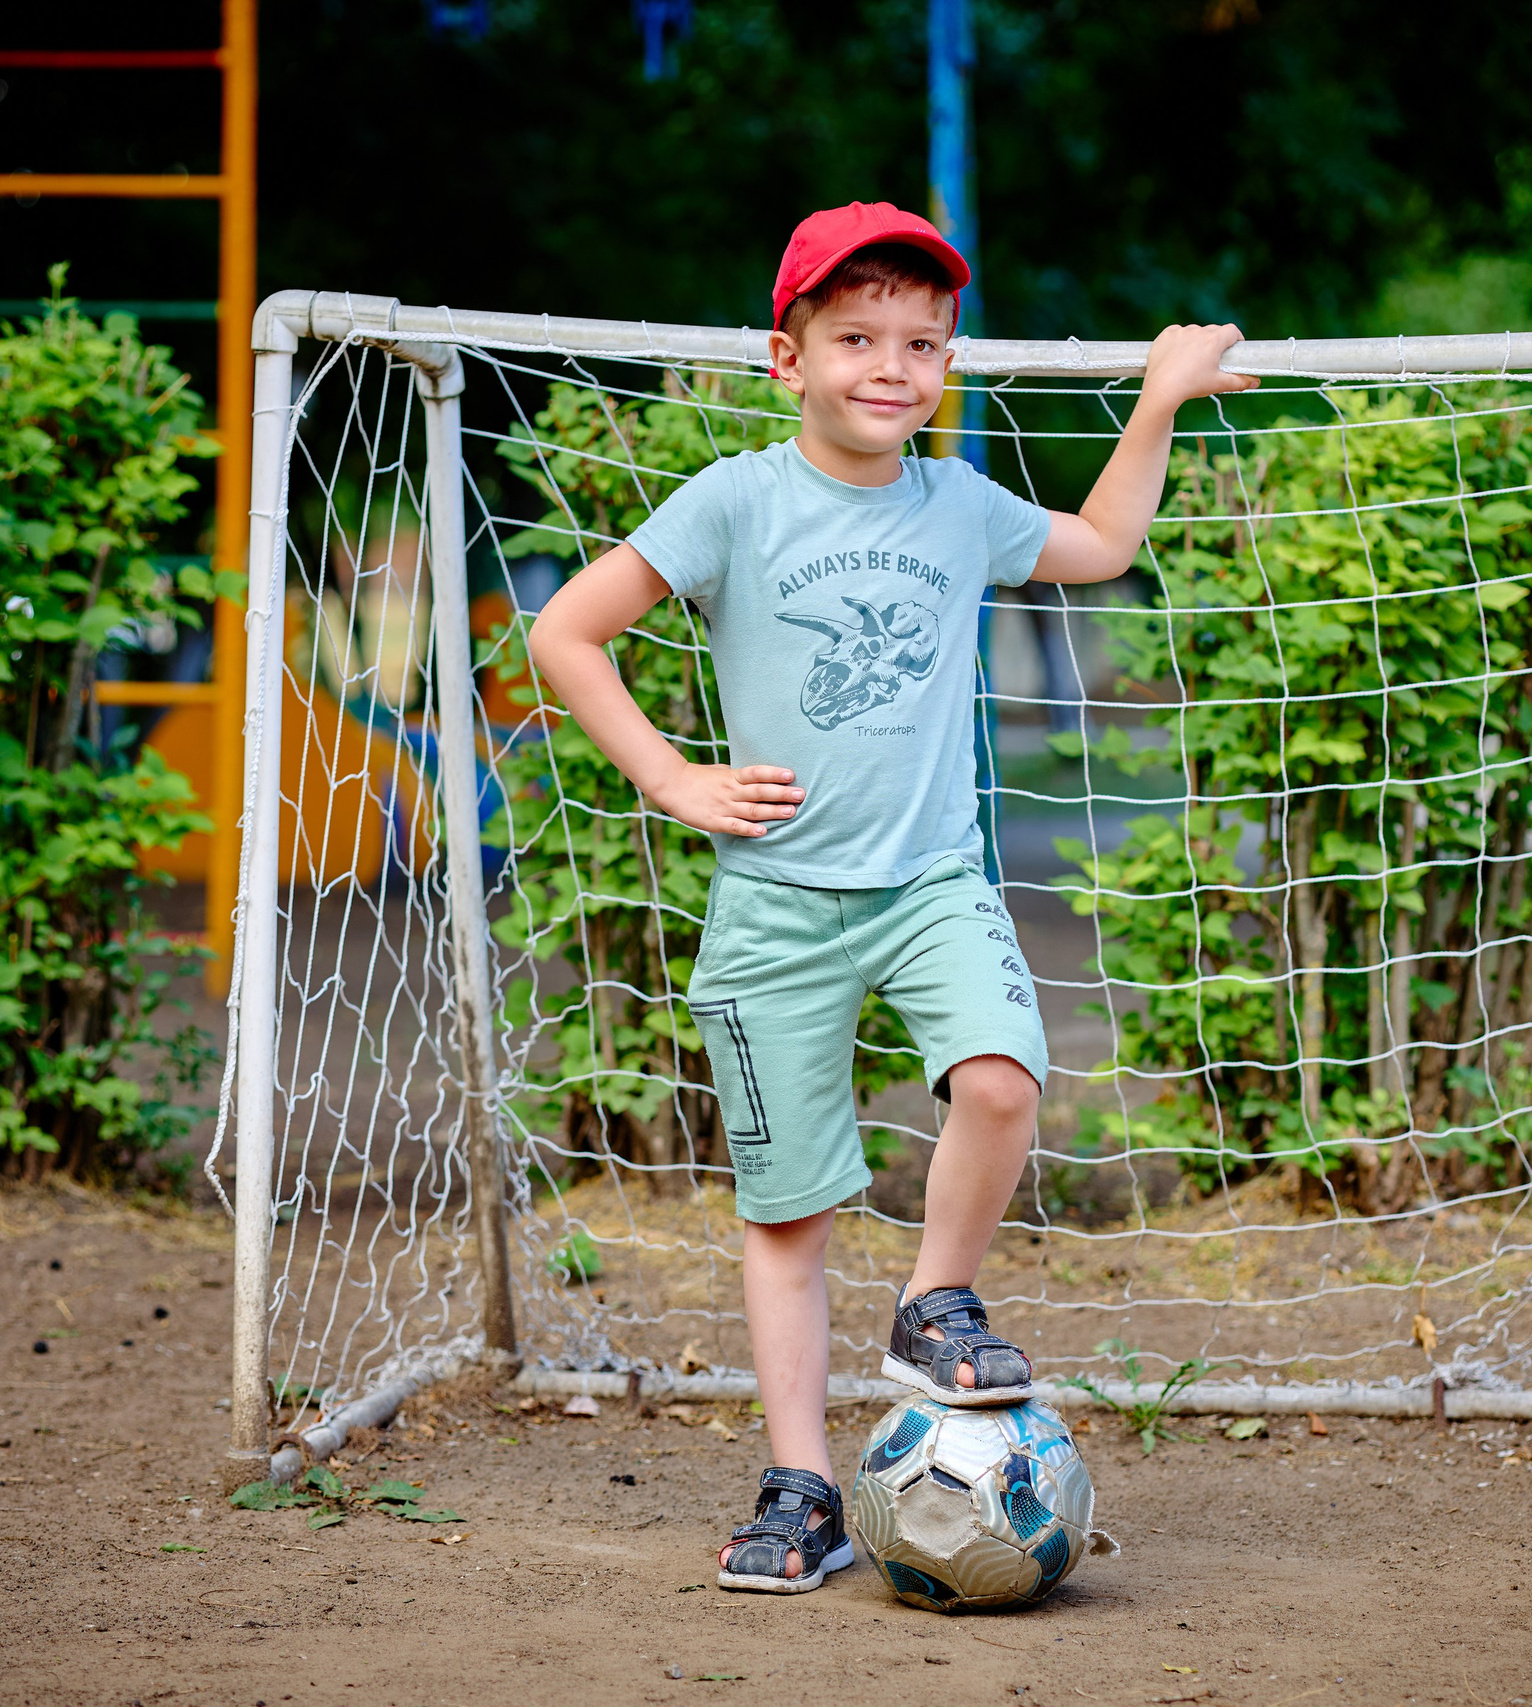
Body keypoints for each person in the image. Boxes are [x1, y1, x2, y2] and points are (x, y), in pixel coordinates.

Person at [526, 200, 1251, 1594]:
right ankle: (799, 1486)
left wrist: (1158, 402)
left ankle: (935, 1300)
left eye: (922, 342)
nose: (890, 366)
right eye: (856, 336)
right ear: (787, 356)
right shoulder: (735, 499)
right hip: (776, 903)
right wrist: (671, 775)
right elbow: (567, 631)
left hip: (929, 881)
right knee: (787, 1216)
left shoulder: (958, 505)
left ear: (947, 364)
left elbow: (1099, 547)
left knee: (999, 1082)